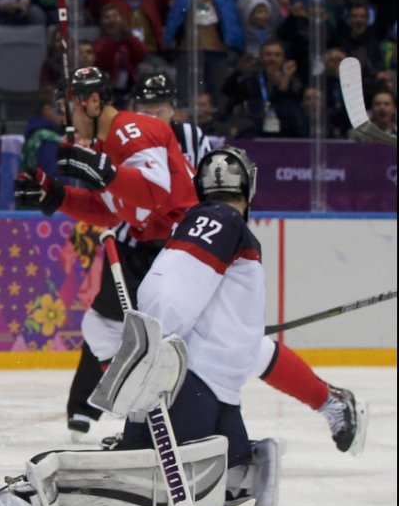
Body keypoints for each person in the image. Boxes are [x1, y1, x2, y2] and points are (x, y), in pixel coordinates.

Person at [0, 147, 282, 506]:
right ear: (249, 186)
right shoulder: (218, 217)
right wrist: (153, 351)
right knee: (133, 467)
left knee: (225, 463)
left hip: (217, 393)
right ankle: (34, 492)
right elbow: (166, 293)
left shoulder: (224, 224)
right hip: (190, 386)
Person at [75, 73, 365, 454]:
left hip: (195, 247)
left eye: (159, 107)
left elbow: (186, 198)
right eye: (145, 108)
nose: (152, 113)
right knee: (107, 329)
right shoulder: (122, 139)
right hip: (150, 251)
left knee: (233, 349)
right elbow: (122, 203)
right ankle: (142, 416)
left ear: (172, 108)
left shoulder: (190, 140)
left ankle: (325, 401)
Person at [15, 67, 196, 436]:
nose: (66, 119)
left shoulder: (132, 130)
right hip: (156, 245)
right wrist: (58, 196)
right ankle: (139, 413)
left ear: (94, 102)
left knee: (160, 338)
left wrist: (106, 171)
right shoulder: (102, 145)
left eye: (71, 109)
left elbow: (156, 193)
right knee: (102, 326)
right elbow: (113, 209)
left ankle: (157, 418)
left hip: (185, 245)